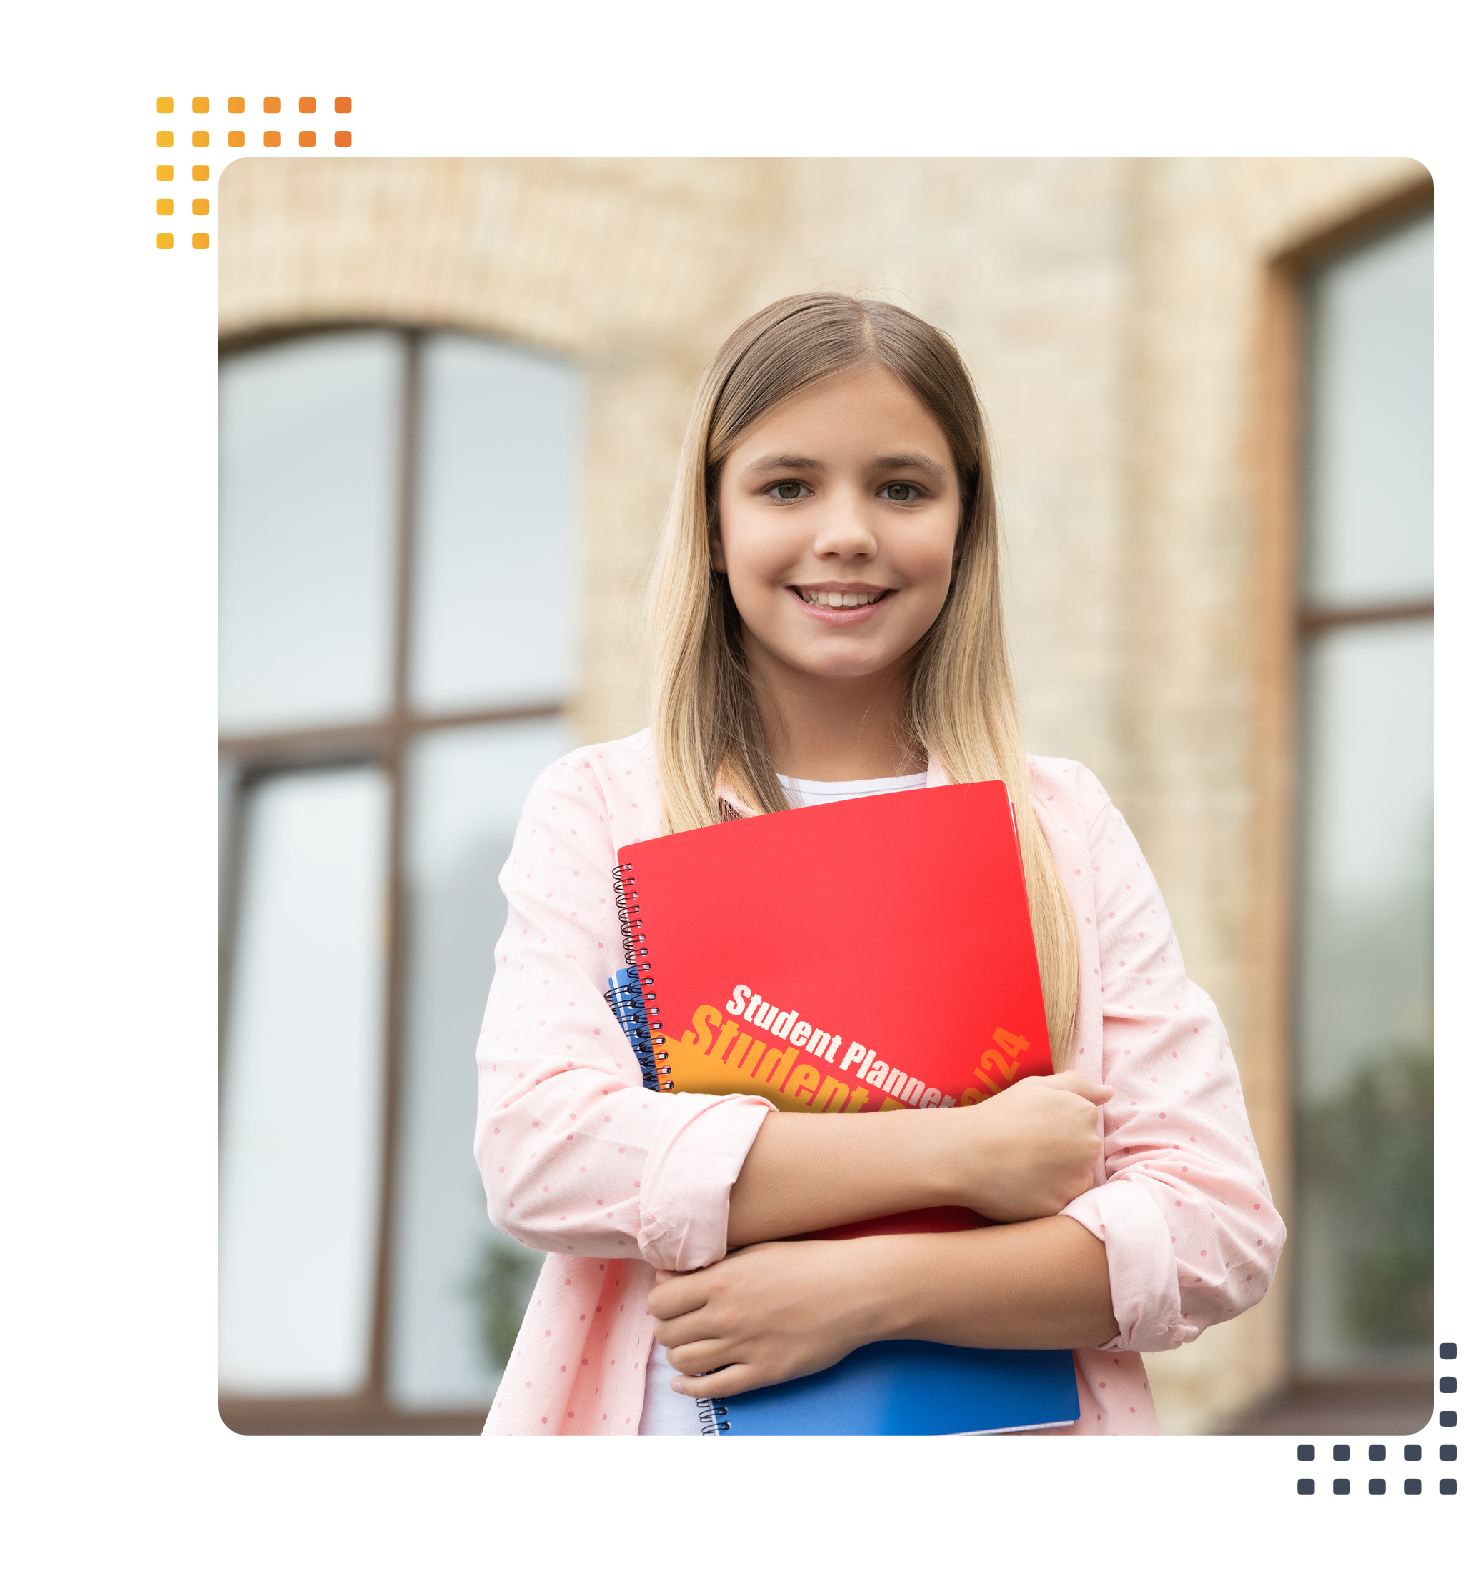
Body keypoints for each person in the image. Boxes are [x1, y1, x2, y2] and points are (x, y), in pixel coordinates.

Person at [473, 293, 1284, 1435]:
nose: (847, 531)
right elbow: (541, 1150)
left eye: (902, 487)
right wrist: (961, 1152)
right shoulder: (604, 810)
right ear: (712, 520)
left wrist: (860, 1293)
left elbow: (1219, 1225)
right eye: (786, 485)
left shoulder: (1059, 828)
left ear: (965, 524)